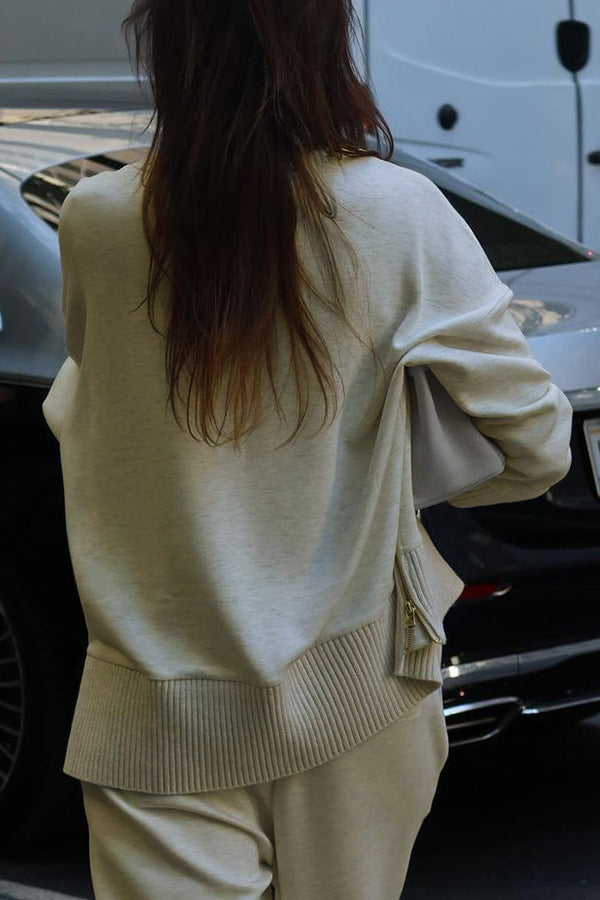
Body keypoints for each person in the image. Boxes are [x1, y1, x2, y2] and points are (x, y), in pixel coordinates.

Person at [41, 0, 573, 897]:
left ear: (168, 45)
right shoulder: (394, 212)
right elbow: (537, 444)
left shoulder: (97, 218)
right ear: (321, 42)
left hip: (154, 701)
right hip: (357, 682)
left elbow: (95, 409)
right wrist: (394, 480)